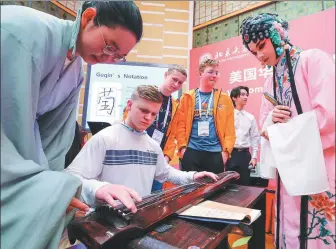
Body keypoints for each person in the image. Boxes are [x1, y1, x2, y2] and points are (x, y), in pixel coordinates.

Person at [1, 2, 143, 249]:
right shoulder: (23, 33)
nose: (109, 59)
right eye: (109, 46)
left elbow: (53, 143)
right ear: (88, 17)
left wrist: (55, 190)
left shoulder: (76, 70)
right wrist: (44, 188)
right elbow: (11, 130)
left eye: (118, 56)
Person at [240, 13, 335, 249]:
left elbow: (330, 115)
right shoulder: (269, 81)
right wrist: (271, 120)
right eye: (254, 52)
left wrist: (286, 132)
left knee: (317, 227)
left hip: (320, 162)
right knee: (288, 230)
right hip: (288, 170)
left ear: (278, 34)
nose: (260, 55)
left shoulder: (313, 60)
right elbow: (263, 125)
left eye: (261, 46)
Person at [66, 85, 218, 211]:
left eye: (154, 114)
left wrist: (192, 176)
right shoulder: (105, 138)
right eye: (144, 111)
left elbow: (165, 173)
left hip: (139, 216)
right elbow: (71, 178)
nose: (149, 118)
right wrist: (100, 188)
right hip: (105, 220)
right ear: (130, 105)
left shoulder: (152, 146)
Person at [123, 65, 187, 192]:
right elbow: (127, 120)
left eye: (180, 82)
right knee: (131, 194)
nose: (176, 84)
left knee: (154, 198)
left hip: (157, 158)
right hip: (136, 155)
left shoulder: (175, 105)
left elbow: (172, 134)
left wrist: (167, 157)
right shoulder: (145, 94)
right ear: (165, 75)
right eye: (174, 79)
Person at [175, 59, 236, 174]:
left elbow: (230, 130)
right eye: (210, 72)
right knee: (191, 190)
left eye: (216, 73)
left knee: (213, 191)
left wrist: (225, 153)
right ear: (200, 73)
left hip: (215, 153)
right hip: (192, 151)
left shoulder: (225, 99)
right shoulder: (187, 97)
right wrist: (183, 149)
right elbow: (180, 126)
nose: (214, 76)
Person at [227, 86, 260, 186]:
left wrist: (254, 157)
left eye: (247, 95)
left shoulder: (250, 117)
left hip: (245, 155)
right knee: (228, 186)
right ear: (234, 98)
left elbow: (255, 138)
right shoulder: (227, 115)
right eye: (242, 95)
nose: (245, 97)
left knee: (245, 186)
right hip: (229, 154)